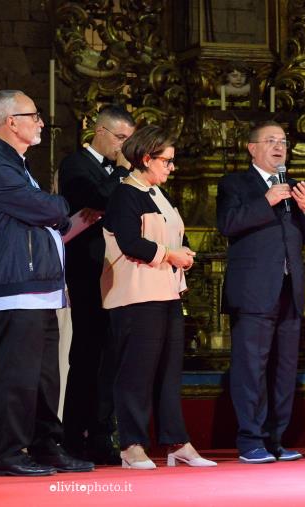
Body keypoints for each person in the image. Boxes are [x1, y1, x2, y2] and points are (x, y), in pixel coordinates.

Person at [0, 90, 94, 476]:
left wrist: (52, 210)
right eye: (34, 115)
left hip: (39, 287)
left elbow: (46, 214)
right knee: (17, 376)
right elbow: (49, 208)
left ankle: (45, 445)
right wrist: (57, 206)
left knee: (44, 377)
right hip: (17, 286)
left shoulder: (17, 165)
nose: (41, 122)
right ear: (11, 121)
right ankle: (9, 452)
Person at [100, 125, 215, 469]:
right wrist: (170, 254)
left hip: (166, 293)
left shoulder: (157, 193)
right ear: (146, 158)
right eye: (167, 161)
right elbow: (130, 243)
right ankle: (131, 445)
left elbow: (172, 234)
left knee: (168, 371)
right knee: (136, 372)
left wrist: (185, 253)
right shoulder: (124, 194)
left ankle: (177, 442)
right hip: (136, 295)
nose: (172, 167)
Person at [217, 121, 305, 464]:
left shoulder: (292, 186)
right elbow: (228, 224)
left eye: (283, 141)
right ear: (252, 148)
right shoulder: (235, 183)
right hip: (253, 291)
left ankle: (277, 439)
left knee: (284, 368)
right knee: (251, 368)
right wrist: (265, 201)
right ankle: (251, 440)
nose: (279, 147)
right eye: (271, 141)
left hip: (288, 289)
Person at [59, 106, 135, 464]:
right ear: (99, 131)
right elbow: (94, 198)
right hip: (86, 271)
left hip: (116, 270)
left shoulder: (117, 172)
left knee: (111, 357)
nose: (125, 147)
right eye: (121, 139)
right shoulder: (76, 164)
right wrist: (120, 173)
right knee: (87, 355)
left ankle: (103, 433)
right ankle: (75, 435)